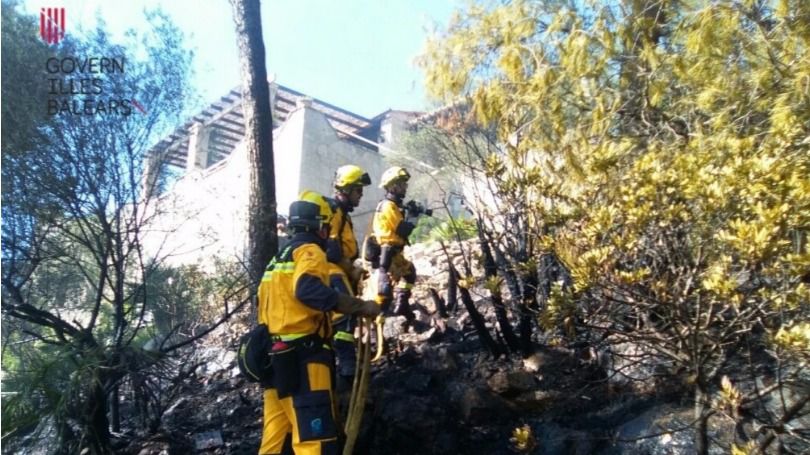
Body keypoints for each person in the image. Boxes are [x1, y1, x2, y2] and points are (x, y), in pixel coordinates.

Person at [257, 190, 380, 455]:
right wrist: (360, 306)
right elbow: (307, 290)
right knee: (315, 441)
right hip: (304, 360)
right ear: (321, 228)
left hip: (275, 361)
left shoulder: (278, 259)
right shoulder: (309, 251)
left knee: (275, 441)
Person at [326, 165, 372, 390]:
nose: (361, 196)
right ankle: (347, 368)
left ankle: (345, 367)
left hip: (340, 271)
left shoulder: (343, 215)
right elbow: (332, 251)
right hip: (332, 271)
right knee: (344, 316)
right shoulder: (334, 212)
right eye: (358, 191)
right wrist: (351, 269)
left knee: (347, 316)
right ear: (346, 189)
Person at [372, 166, 417, 322]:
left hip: (395, 254)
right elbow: (402, 230)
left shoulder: (394, 206)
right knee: (385, 291)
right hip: (387, 254)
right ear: (393, 186)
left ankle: (402, 304)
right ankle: (379, 321)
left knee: (410, 273)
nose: (405, 187)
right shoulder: (388, 206)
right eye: (402, 184)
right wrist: (414, 217)